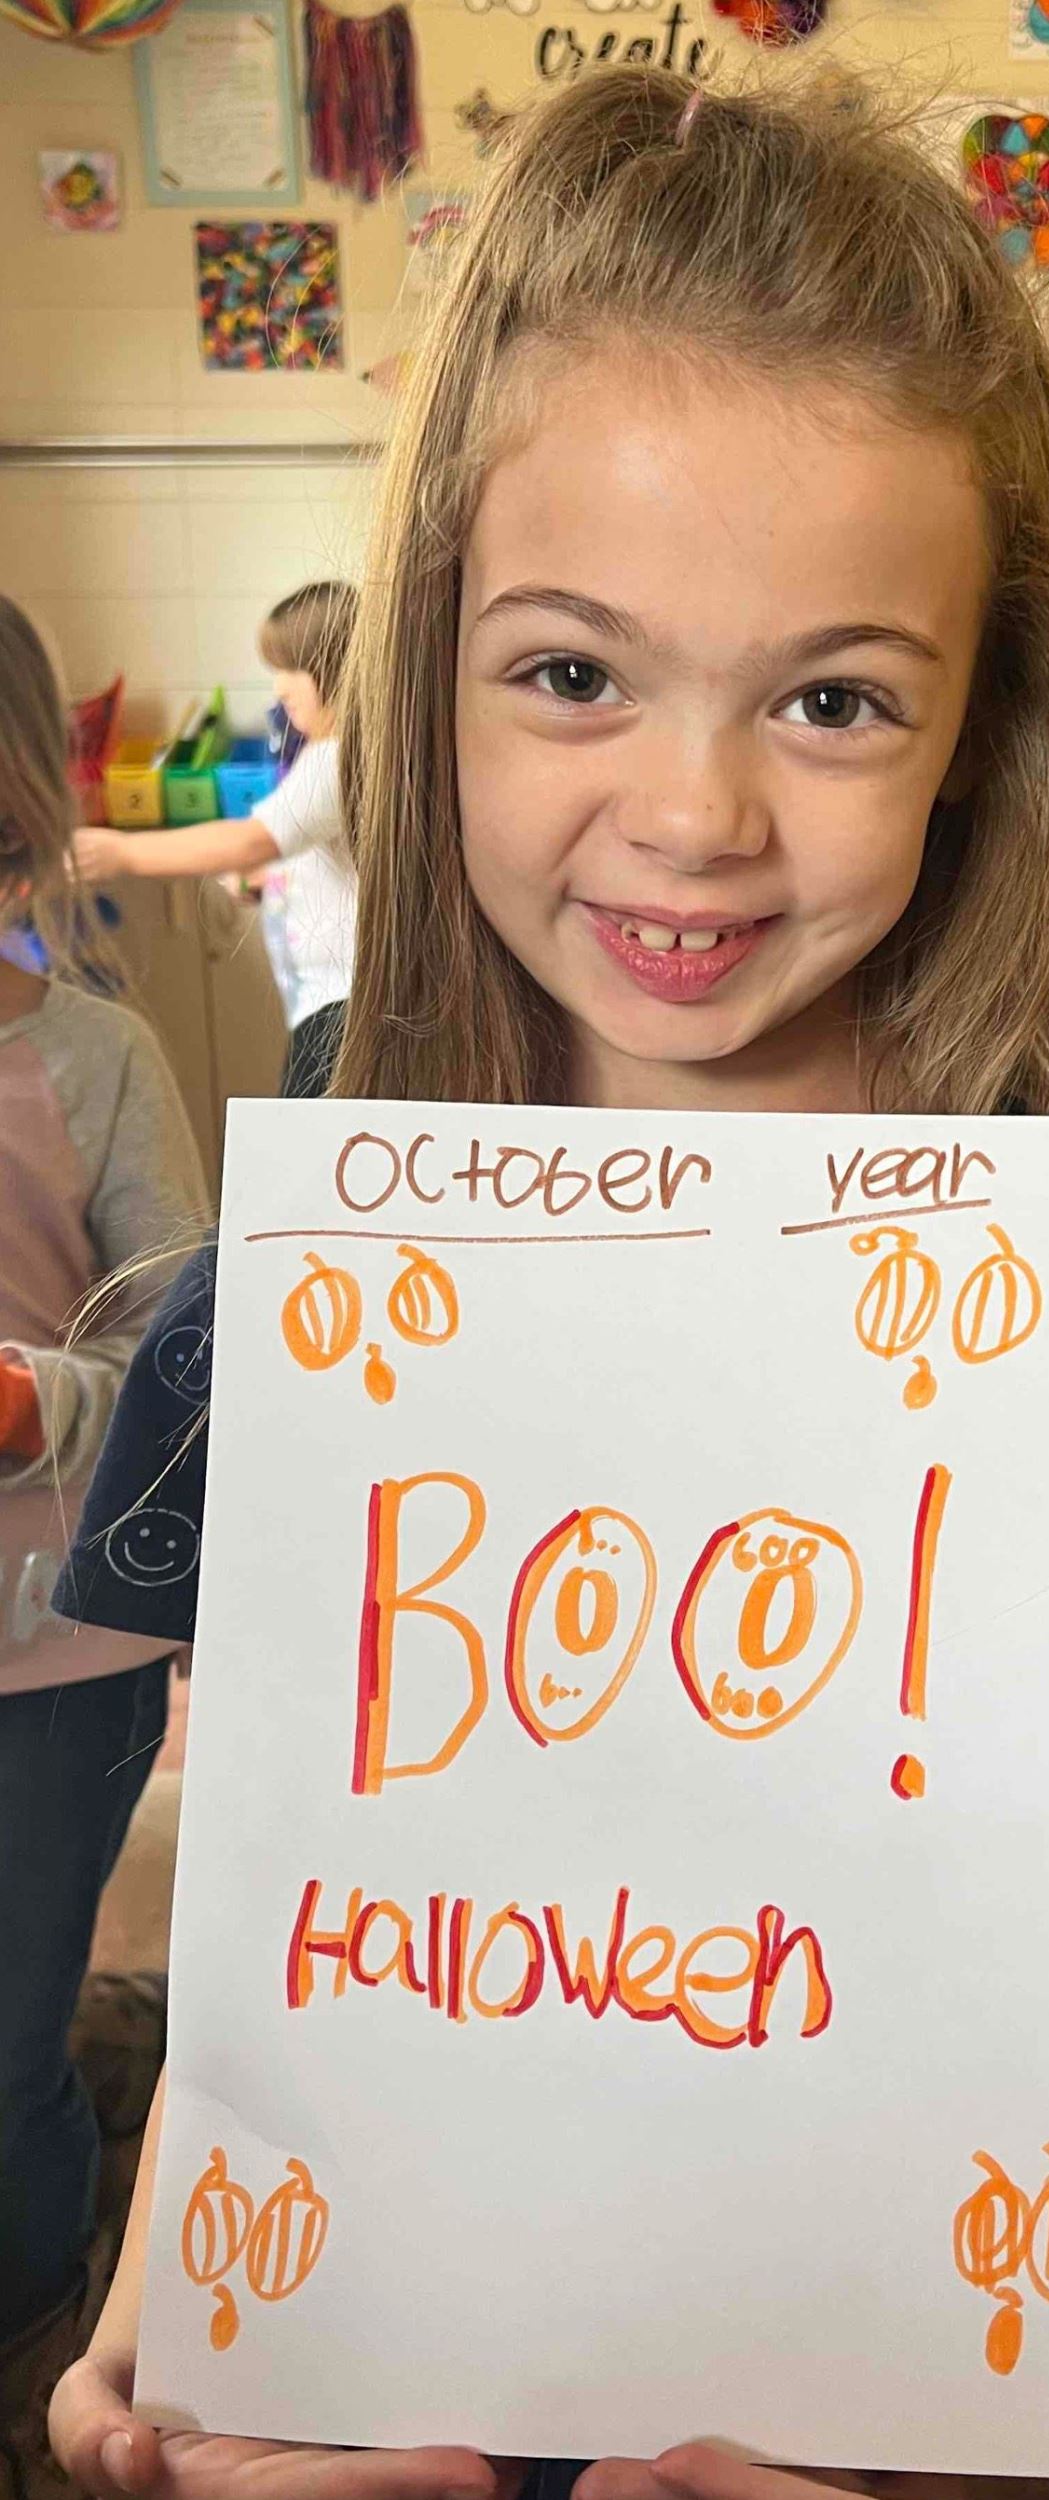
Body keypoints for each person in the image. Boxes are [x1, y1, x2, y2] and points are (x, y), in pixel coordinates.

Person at [48, 69, 1049, 2500]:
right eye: (573, 673)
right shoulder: (305, 1316)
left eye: (831, 699)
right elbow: (301, 1949)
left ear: (973, 729)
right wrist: (167, 2336)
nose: (696, 816)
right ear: (429, 666)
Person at [0, 599, 205, 2470]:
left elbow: (183, 1354)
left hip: (54, 1651)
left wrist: (32, 1405)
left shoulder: (97, 1060)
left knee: (7, 2046)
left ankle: (39, 2328)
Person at [72, 584, 358, 1102]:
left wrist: (121, 852)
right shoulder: (335, 755)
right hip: (330, 1004)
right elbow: (325, 857)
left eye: (292, 669)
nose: (280, 688)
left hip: (341, 1011)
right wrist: (272, 881)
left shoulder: (335, 760)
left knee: (303, 1134)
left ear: (336, 671)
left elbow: (251, 841)